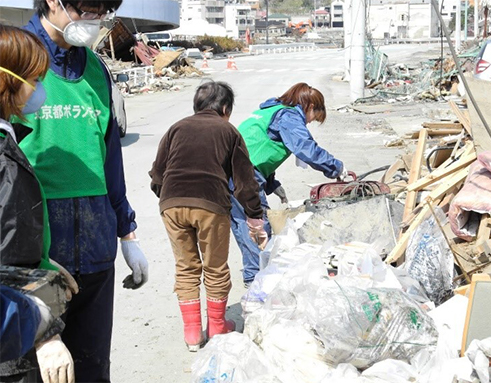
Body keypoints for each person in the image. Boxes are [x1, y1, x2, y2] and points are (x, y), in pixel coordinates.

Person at [15, 1, 149, 381]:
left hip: (95, 242)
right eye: (89, 8)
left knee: (91, 367)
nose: (95, 20)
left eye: (103, 10)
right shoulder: (15, 58)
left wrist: (126, 230)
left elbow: (110, 157)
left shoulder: (94, 68)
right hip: (33, 248)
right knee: (34, 370)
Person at [149, 81, 267, 351]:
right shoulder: (228, 131)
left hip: (171, 203)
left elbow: (157, 174)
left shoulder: (176, 128)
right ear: (225, 108)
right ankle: (216, 327)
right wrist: (254, 217)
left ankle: (192, 334)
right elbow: (245, 182)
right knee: (215, 267)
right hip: (211, 204)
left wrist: (170, 198)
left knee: (186, 267)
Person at [0, 24, 75, 383]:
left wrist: (45, 263)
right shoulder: (3, 159)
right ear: (6, 81)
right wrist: (45, 332)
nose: (39, 90)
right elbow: (5, 258)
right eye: (34, 78)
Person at [232, 83, 347, 287]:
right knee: (259, 226)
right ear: (310, 106)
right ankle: (260, 281)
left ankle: (253, 276)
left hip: (232, 172)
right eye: (314, 116)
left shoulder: (269, 110)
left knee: (244, 225)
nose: (310, 122)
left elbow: (258, 146)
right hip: (244, 174)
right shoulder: (288, 116)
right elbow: (305, 148)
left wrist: (271, 182)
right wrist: (336, 167)